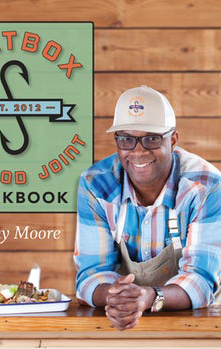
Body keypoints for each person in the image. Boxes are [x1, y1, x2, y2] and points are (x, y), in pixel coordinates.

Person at [74, 85, 221, 331]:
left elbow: (201, 280)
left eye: (152, 139)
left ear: (172, 140)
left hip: (197, 325)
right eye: (126, 140)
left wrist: (149, 297)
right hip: (122, 322)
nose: (139, 151)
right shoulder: (96, 184)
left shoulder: (205, 186)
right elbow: (91, 274)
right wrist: (117, 298)